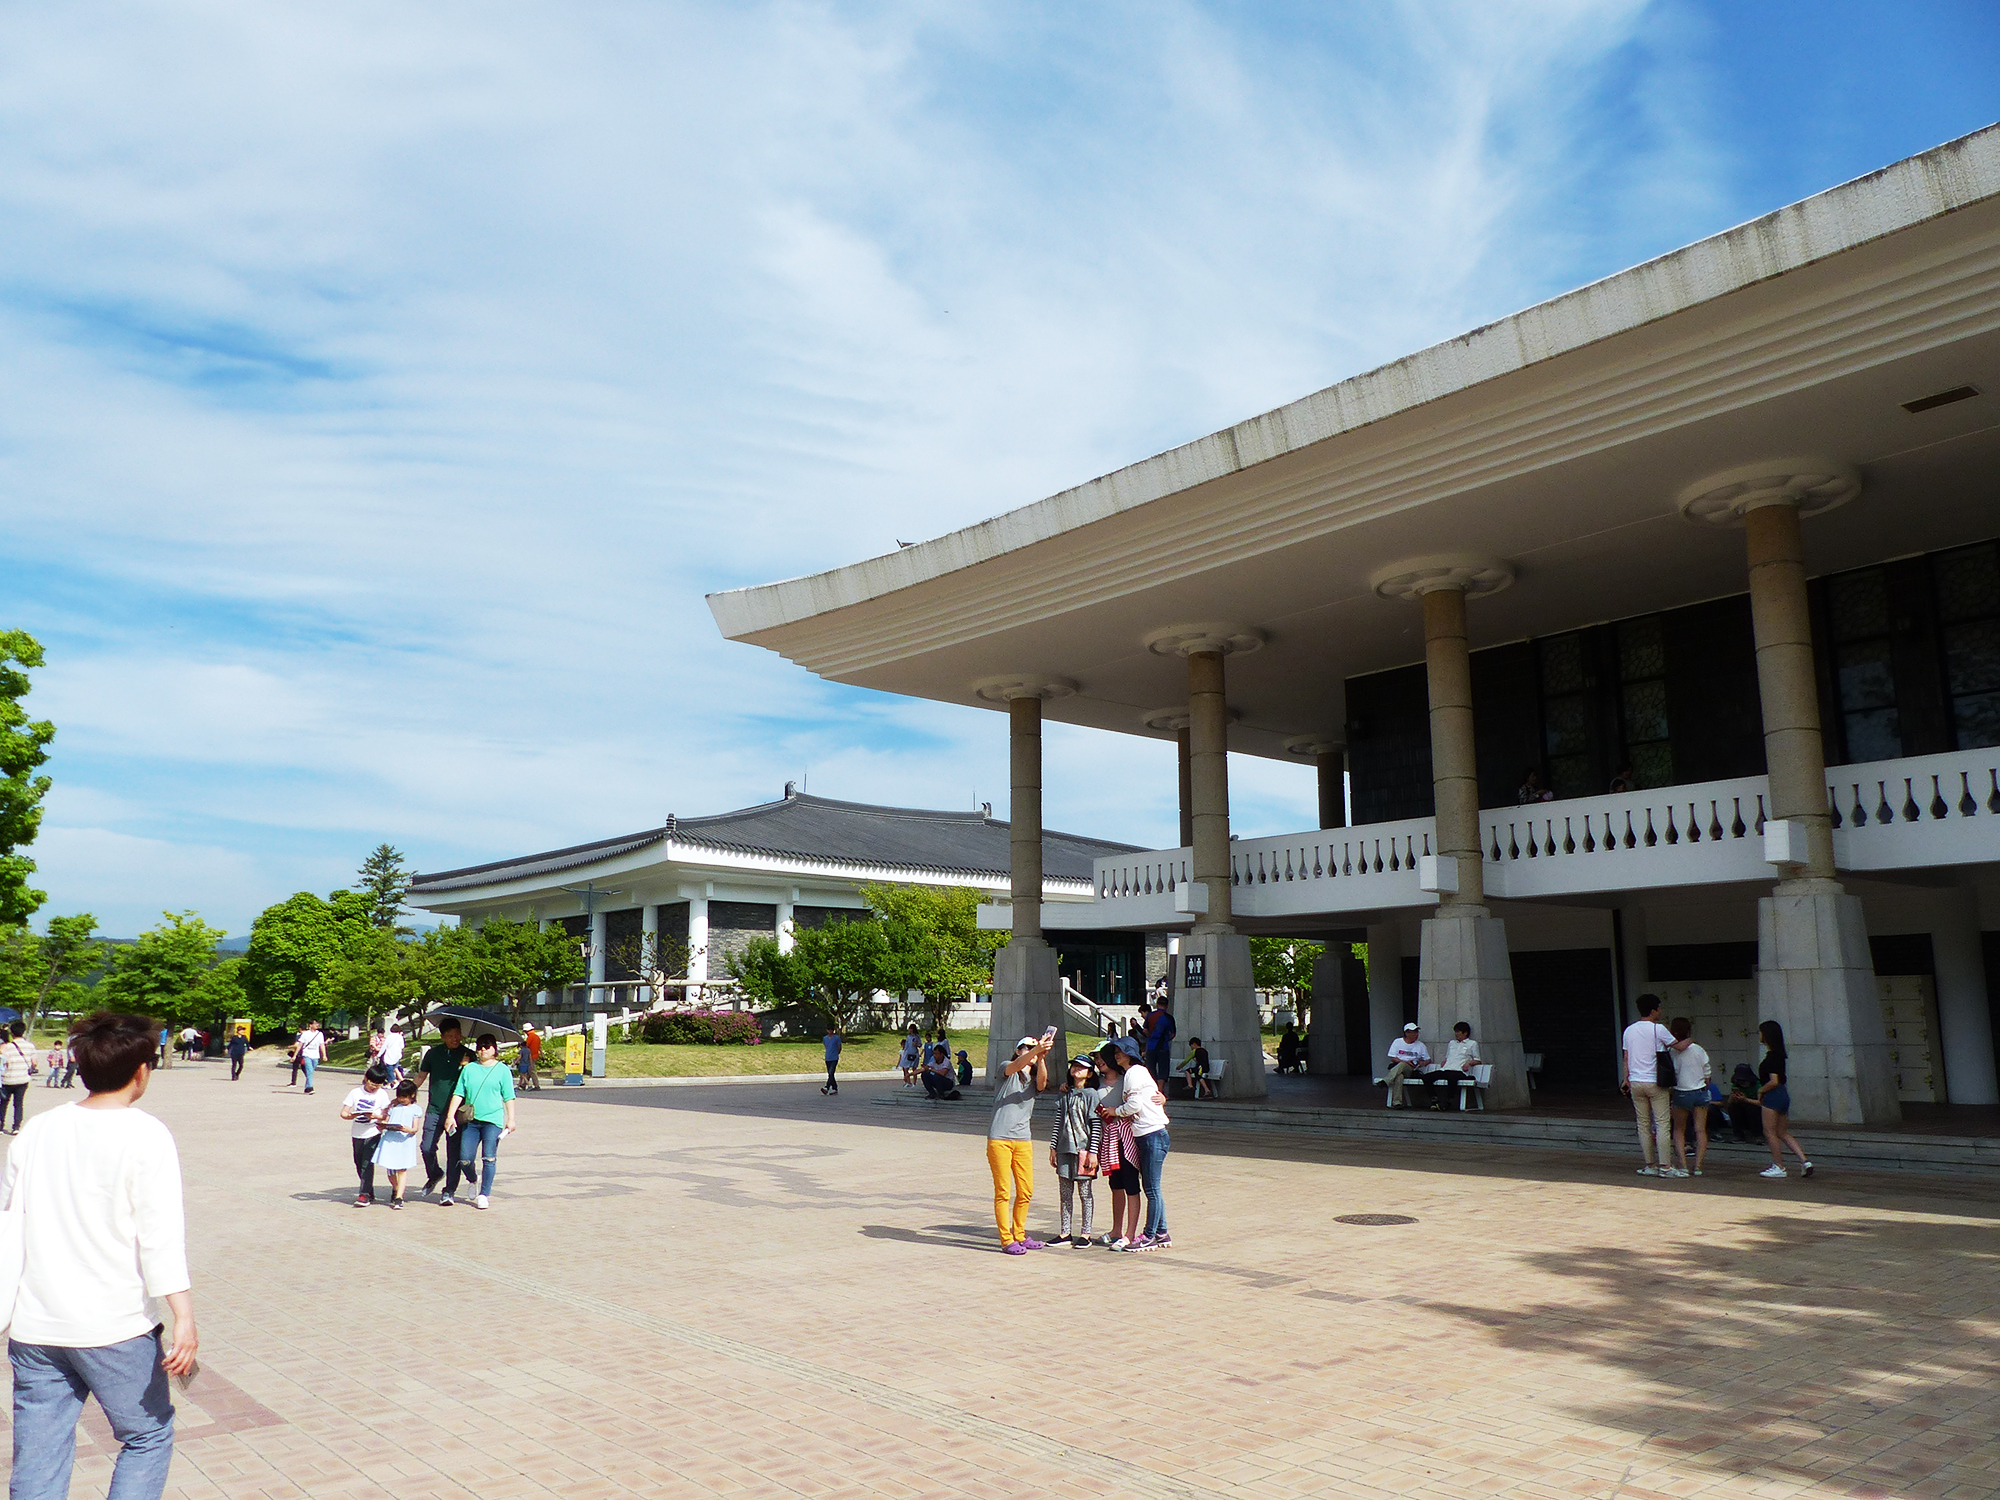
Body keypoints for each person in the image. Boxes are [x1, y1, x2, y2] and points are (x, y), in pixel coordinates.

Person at [3, 1011, 197, 1500]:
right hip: (115, 1326)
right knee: (147, 1435)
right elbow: (160, 1236)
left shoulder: (37, 1130)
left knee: (40, 1454)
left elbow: (9, 1228)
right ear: (142, 1072)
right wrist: (183, 1316)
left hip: (35, 1327)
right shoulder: (146, 1133)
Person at [1099, 1035, 1171, 1251]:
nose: (1117, 1055)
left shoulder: (1133, 1072)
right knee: (1153, 1187)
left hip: (1152, 1134)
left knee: (1151, 1189)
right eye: (1116, 1052)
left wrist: (1114, 1111)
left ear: (1131, 1053)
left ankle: (1148, 1236)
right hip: (1148, 1134)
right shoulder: (1137, 1073)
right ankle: (1162, 1232)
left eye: (1121, 1051)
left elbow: (1134, 1105)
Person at [987, 1033, 1051, 1254]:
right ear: (1018, 1050)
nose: (1030, 1052)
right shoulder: (1008, 1069)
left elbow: (1043, 1084)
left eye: (1033, 1049)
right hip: (1000, 1139)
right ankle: (1006, 1239)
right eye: (1026, 1048)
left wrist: (1041, 1057)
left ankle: (1020, 1234)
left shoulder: (1032, 1080)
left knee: (1026, 1190)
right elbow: (1016, 1065)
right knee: (1003, 1191)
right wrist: (1036, 1050)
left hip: (1023, 1140)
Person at [442, 1032, 517, 1210]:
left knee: (489, 1157)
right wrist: (450, 1116)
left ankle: (484, 1194)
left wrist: (511, 1119)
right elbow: (458, 1093)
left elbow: (509, 1096)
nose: (483, 1050)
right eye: (480, 1046)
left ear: (494, 1049)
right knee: (465, 1158)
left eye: (487, 1046)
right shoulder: (469, 1069)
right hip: (471, 1120)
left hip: (493, 1120)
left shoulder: (502, 1070)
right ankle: (472, 1179)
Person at [1620, 994, 1678, 1177]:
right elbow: (1677, 1046)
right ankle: (1665, 1166)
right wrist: (1690, 1042)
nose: (1661, 1011)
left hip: (1636, 1081)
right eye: (1659, 1008)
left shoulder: (1629, 1030)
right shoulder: (1658, 1029)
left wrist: (1626, 1079)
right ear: (1653, 1011)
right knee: (1662, 1124)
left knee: (1643, 1124)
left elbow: (1626, 1057)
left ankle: (1649, 1165)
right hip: (1655, 1081)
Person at [414, 1019, 472, 1203]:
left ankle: (449, 1191)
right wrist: (404, 1094)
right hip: (435, 1109)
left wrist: (467, 1067)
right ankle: (435, 1173)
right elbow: (421, 1076)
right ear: (442, 1037)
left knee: (453, 1152)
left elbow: (476, 1081)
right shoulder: (433, 1054)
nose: (454, 1039)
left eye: (457, 1035)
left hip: (457, 1113)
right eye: (449, 1036)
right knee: (426, 1147)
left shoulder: (469, 1055)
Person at [1091, 1042, 1141, 1250]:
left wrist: (1162, 1099)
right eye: (1096, 1058)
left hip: (1127, 1138)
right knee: (1115, 1185)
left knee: (1131, 1184)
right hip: (1108, 1140)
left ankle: (1130, 1234)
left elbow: (1145, 1097)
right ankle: (1116, 1230)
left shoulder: (1128, 1078)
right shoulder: (1094, 1083)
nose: (1099, 1061)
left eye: (1103, 1057)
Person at [1048, 1054, 1101, 1248]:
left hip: (1084, 1151)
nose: (1076, 1070)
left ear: (1089, 1073)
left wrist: (1094, 1152)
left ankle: (1086, 1233)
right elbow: (1058, 1122)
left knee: (1085, 1192)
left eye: (1081, 1067)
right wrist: (1053, 1146)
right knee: (1065, 1192)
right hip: (1064, 1148)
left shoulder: (1091, 1095)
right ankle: (1065, 1232)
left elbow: (1096, 1125)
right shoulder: (1065, 1093)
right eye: (1074, 1066)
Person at [1750, 1020, 1813, 1179]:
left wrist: (1760, 1090)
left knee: (1770, 1132)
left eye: (1761, 1032)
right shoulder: (1780, 1055)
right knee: (1782, 1132)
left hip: (1773, 1095)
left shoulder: (1771, 1058)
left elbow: (1773, 1081)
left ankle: (1779, 1166)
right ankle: (1804, 1161)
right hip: (1783, 1095)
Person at [339, 1063, 394, 1207]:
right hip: (357, 1133)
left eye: (378, 1084)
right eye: (372, 1083)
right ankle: (369, 1190)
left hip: (373, 1132)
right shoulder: (355, 1093)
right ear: (366, 1078)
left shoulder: (382, 1094)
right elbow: (344, 1112)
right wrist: (350, 1116)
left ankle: (363, 1195)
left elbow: (386, 1116)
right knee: (358, 1162)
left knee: (367, 1164)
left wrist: (375, 1116)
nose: (374, 1087)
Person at [1666, 1017, 1712, 1177]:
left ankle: (1683, 1166)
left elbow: (1671, 1074)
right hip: (1700, 1092)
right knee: (1700, 1130)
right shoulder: (1698, 1049)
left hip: (1682, 1092)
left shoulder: (1671, 1052)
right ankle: (1698, 1166)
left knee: (1679, 1129)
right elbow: (1707, 1073)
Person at [374, 1078, 423, 1209]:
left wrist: (408, 1130)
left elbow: (415, 1128)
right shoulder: (394, 1108)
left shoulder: (415, 1109)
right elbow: (387, 1121)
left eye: (404, 1097)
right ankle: (396, 1188)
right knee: (390, 1171)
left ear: (412, 1095)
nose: (402, 1099)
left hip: (404, 1141)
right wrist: (382, 1126)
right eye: (400, 1097)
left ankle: (399, 1196)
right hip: (390, 1140)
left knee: (402, 1169)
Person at [1423, 1022, 1482, 1108]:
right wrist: (1444, 1062)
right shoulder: (1452, 1043)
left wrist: (1469, 1063)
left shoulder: (1472, 1044)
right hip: (1446, 1069)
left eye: (1459, 1032)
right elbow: (1447, 1056)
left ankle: (1448, 1100)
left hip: (1459, 1071)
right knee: (1426, 1077)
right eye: (1456, 1032)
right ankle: (1434, 1098)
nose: (1456, 1034)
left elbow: (1478, 1060)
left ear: (1465, 1033)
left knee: (1452, 1077)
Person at [1384, 1022, 1431, 1108]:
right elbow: (1392, 1058)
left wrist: (1422, 1063)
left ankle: (1386, 1080)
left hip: (1411, 1069)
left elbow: (1428, 1059)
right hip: (1398, 1068)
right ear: (1407, 1033)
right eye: (1413, 1032)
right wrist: (1404, 1061)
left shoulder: (1420, 1045)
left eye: (1416, 1032)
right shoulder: (1398, 1042)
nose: (1416, 1035)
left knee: (1403, 1065)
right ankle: (1397, 1102)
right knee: (1399, 1077)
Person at [2, 1019, 37, 1133]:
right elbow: (34, 1063)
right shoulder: (30, 1046)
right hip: (22, 1079)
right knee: (18, 1103)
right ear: (23, 1031)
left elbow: (4, 1063)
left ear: (12, 1033)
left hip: (7, 1079)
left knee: (3, 1103)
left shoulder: (6, 1047)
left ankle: (1, 1125)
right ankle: (16, 1127)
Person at [1144, 997, 1176, 1089]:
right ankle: (1160, 1091)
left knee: (1151, 1069)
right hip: (1163, 1047)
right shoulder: (1169, 1018)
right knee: (1163, 1070)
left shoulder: (1150, 1015)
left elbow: (1145, 1030)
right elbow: (1173, 1034)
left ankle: (1152, 1090)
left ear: (1157, 1004)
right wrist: (1166, 1039)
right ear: (1167, 1006)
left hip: (1151, 1047)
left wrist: (1151, 1036)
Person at [293, 1020, 328, 1094]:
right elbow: (300, 1045)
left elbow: (322, 1045)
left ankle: (306, 1087)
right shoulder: (305, 1034)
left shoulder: (320, 1034)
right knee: (309, 1071)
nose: (317, 1025)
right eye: (315, 1024)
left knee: (311, 1071)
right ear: (310, 1025)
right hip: (307, 1054)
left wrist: (324, 1055)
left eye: (318, 1024)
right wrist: (294, 1055)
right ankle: (310, 1087)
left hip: (315, 1055)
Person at [518, 1024, 542, 1091]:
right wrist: (542, 1055)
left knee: (532, 1071)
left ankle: (536, 1085)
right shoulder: (537, 1037)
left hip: (530, 1057)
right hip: (535, 1056)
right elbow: (539, 1047)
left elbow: (526, 1046)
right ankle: (523, 1085)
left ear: (526, 1031)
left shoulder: (530, 1037)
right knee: (529, 1071)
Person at [898, 1024, 923, 1089]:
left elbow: (920, 1044)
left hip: (914, 1053)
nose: (910, 1030)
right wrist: (905, 1052)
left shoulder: (917, 1036)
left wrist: (916, 1044)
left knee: (914, 1069)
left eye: (910, 1029)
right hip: (908, 1053)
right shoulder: (908, 1037)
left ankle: (914, 1083)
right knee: (906, 1068)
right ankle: (908, 1082)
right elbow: (906, 1045)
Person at [820, 1024, 842, 1095]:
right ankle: (834, 1088)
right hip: (827, 1058)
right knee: (830, 1074)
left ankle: (827, 1087)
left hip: (834, 1058)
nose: (830, 1031)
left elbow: (839, 1047)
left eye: (831, 1030)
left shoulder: (836, 1038)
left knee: (831, 1072)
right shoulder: (825, 1038)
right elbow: (826, 1046)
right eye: (829, 1030)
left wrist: (837, 1053)